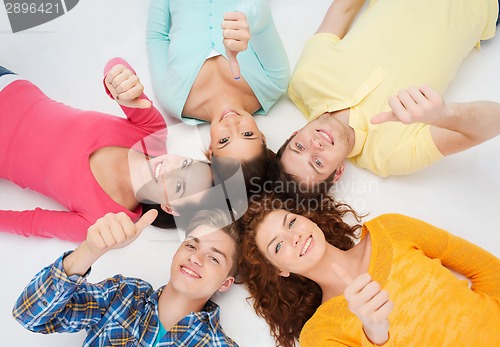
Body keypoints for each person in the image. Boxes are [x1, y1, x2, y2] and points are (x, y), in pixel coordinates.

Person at [270, 0, 500, 197]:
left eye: (299, 146)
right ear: (338, 172)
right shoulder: (393, 155)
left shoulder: (305, 80)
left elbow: (344, 8)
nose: (315, 146)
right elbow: (495, 121)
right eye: (318, 163)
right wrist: (445, 115)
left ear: (293, 135)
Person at [238, 193, 500, 347]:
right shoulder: (320, 335)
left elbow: (489, 271)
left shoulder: (392, 229)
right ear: (279, 270)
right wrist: (376, 334)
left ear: (309, 220)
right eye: (278, 245)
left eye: (291, 222)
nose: (293, 237)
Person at [0, 59, 214, 242]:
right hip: (8, 85)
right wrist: (120, 81)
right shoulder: (153, 133)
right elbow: (116, 67)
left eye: (179, 185)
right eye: (185, 164)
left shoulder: (103, 222)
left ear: (170, 208)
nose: (172, 169)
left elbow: (31, 224)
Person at [13, 208, 248, 347]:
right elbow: (29, 315)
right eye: (191, 245)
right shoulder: (122, 295)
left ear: (225, 283)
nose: (195, 258)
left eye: (213, 257)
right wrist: (90, 250)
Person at [147, 0, 290, 190]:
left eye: (224, 140)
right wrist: (243, 18)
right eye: (247, 134)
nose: (232, 124)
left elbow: (157, 37)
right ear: (262, 137)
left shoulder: (173, 99)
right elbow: (261, 13)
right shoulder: (274, 82)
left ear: (211, 151)